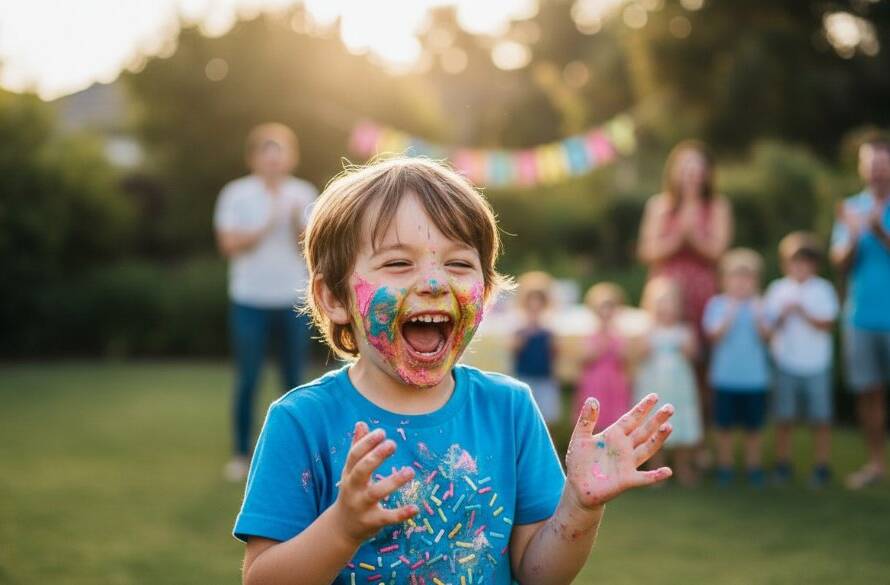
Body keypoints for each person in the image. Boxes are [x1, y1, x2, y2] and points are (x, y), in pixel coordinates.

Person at [233, 158, 675, 585]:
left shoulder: (510, 410)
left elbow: (541, 574)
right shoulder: (302, 420)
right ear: (333, 297)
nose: (434, 283)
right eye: (398, 263)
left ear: (484, 293)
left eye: (459, 264)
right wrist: (341, 529)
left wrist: (580, 506)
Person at [213, 123, 317, 481]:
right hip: (249, 301)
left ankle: (294, 457)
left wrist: (292, 223)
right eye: (266, 155)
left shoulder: (304, 193)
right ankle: (241, 454)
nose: (273, 162)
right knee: (248, 378)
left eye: (280, 155)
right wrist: (265, 222)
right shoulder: (236, 193)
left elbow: (311, 250)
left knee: (294, 381)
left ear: (291, 157)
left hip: (294, 300)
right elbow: (228, 244)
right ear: (254, 158)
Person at [637, 141, 733, 460]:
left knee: (701, 369)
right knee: (659, 368)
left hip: (702, 293)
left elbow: (718, 252)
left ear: (706, 173)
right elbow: (647, 251)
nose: (692, 174)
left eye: (698, 167)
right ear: (675, 172)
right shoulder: (659, 205)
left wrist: (695, 238)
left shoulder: (717, 206)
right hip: (665, 294)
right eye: (686, 167)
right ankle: (657, 442)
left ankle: (696, 444)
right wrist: (680, 237)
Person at [830, 135, 890, 489]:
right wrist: (852, 237)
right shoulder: (851, 208)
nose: (877, 171)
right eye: (872, 164)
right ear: (862, 168)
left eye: (883, 164)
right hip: (860, 319)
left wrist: (879, 230)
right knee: (869, 395)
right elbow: (839, 263)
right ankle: (875, 464)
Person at [764, 232, 838, 488]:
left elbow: (827, 323)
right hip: (785, 363)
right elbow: (767, 328)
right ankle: (783, 464)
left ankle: (821, 465)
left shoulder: (823, 289)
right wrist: (783, 315)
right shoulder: (778, 289)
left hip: (816, 364)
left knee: (820, 418)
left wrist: (803, 311)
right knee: (784, 417)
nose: (800, 268)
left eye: (805, 262)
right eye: (795, 262)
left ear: (814, 265)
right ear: (785, 264)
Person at [702, 248, 770, 488]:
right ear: (725, 280)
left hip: (755, 379)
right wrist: (730, 312)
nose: (742, 283)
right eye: (736, 277)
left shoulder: (761, 305)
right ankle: (725, 467)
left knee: (754, 428)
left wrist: (758, 315)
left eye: (747, 277)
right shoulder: (717, 304)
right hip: (724, 378)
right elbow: (714, 336)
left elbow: (768, 337)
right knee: (724, 427)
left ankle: (754, 468)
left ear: (756, 281)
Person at [634, 276, 699, 486]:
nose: (665, 308)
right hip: (655, 386)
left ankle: (682, 467)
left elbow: (693, 354)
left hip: (678, 387)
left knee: (680, 426)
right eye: (659, 303)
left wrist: (686, 347)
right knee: (654, 425)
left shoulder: (684, 331)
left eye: (669, 302)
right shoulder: (648, 331)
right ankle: (656, 470)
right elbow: (638, 354)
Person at [576, 282, 631, 432]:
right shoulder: (590, 334)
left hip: (614, 382)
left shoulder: (619, 335)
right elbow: (584, 358)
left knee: (614, 419)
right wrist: (600, 346)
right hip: (595, 381)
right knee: (594, 417)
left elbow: (625, 359)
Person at [510, 271, 561, 429]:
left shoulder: (550, 328)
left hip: (545, 378)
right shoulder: (518, 326)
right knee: (523, 419)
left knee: (547, 419)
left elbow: (555, 353)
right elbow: (513, 349)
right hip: (525, 377)